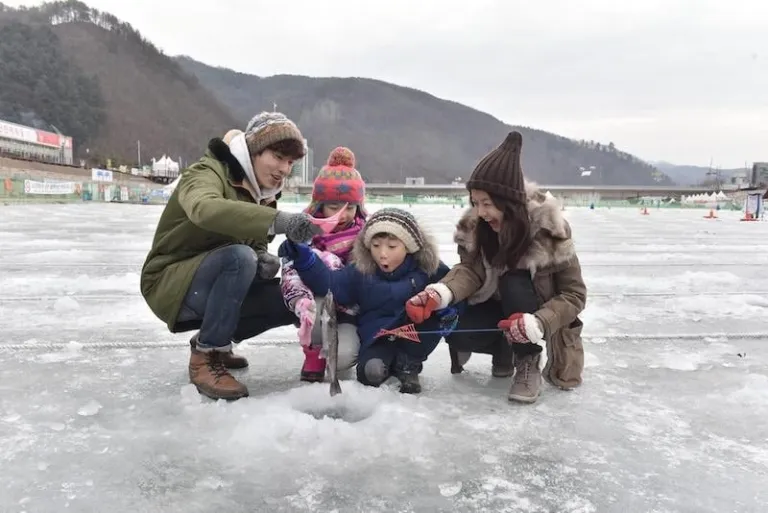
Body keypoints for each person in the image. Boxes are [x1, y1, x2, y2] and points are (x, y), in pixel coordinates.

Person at [140, 112, 324, 401]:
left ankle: (219, 344)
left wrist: (264, 258)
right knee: (239, 259)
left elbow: (254, 242)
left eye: (290, 163)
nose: (284, 169)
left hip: (216, 282)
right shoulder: (205, 173)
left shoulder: (263, 192)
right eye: (277, 157)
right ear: (254, 149)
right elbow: (205, 208)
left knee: (290, 298)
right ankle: (206, 356)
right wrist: (280, 221)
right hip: (170, 283)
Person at [406, 131, 587, 404]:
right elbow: (470, 271)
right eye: (475, 203)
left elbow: (575, 294)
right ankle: (505, 349)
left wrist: (537, 323)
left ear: (510, 204)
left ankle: (527, 358)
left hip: (535, 311)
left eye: (487, 204)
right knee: (457, 328)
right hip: (495, 308)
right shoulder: (477, 229)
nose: (480, 212)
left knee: (513, 282)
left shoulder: (550, 231)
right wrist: (440, 293)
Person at [279, 208, 453, 394]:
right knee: (371, 373)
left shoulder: (428, 269)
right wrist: (305, 258)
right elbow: (331, 284)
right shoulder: (361, 271)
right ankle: (384, 364)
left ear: (409, 247)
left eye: (392, 247)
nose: (382, 254)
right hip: (376, 337)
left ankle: (408, 365)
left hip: (414, 337)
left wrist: (445, 306)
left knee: (432, 322)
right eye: (376, 246)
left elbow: (452, 289)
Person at [280, 146, 367, 382]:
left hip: (351, 310)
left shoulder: (367, 237)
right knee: (314, 308)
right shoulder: (304, 236)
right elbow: (290, 274)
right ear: (319, 206)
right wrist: (300, 300)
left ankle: (343, 350)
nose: (343, 214)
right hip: (318, 303)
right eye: (334, 207)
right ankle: (313, 351)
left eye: (350, 207)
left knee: (343, 358)